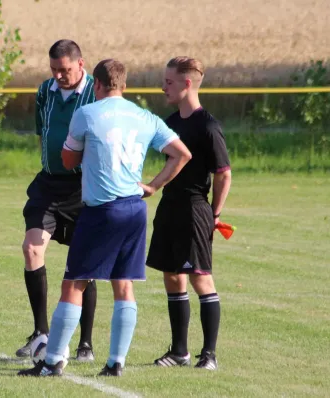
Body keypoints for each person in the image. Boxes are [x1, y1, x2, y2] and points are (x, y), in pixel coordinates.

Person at [18, 59, 192, 377]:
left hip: (102, 211)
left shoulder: (87, 113)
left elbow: (68, 158)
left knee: (73, 284)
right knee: (123, 286)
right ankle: (116, 362)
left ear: (96, 84)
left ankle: (53, 361)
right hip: (134, 209)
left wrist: (87, 149)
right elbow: (182, 153)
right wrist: (153, 185)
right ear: (123, 86)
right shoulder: (143, 117)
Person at [148, 56, 232, 370]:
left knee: (200, 278)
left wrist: (214, 214)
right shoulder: (170, 123)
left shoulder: (208, 126)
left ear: (186, 84)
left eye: (168, 82)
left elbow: (224, 173)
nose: (163, 87)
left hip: (195, 209)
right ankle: (179, 351)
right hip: (169, 206)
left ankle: (208, 355)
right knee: (172, 276)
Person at [19, 39, 98, 361]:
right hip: (49, 185)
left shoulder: (98, 93)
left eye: (64, 70)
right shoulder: (44, 91)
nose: (59, 76)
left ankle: (86, 344)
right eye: (54, 70)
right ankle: (41, 333)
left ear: (81, 64)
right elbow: (44, 132)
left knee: (83, 265)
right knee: (31, 248)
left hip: (83, 188)